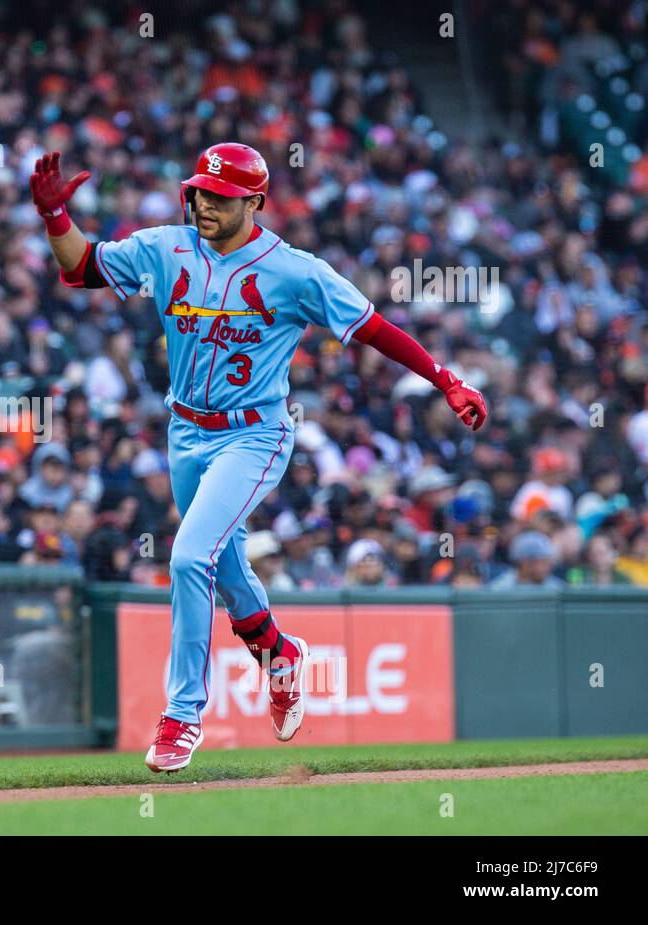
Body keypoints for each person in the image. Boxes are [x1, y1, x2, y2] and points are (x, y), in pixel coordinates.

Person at [32, 145, 487, 772]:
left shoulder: (294, 271)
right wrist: (56, 217)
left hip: (255, 434)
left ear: (254, 202)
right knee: (224, 566)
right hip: (184, 430)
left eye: (219, 196)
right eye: (198, 192)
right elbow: (82, 267)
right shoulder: (166, 247)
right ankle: (280, 656)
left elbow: (374, 326)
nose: (203, 204)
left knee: (190, 555)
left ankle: (181, 715)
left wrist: (445, 379)